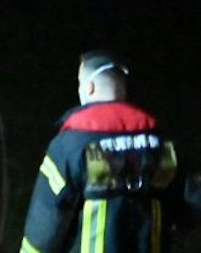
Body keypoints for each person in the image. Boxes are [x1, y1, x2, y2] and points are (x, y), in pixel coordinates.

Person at [20, 51, 191, 252]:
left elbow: (45, 222)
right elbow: (187, 201)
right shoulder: (159, 139)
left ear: (90, 87)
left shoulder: (71, 144)